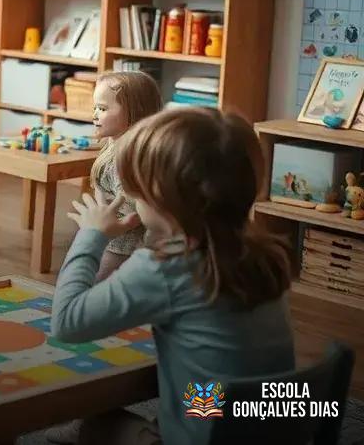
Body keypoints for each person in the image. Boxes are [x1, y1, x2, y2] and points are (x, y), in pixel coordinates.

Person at [51, 107, 295, 445]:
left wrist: (92, 234)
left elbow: (67, 322)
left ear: (163, 198)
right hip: (271, 428)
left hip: (208, 434)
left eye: (136, 189)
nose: (132, 198)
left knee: (91, 423)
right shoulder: (265, 253)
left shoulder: (165, 267)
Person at [88, 71, 162, 281]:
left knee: (98, 285)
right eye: (95, 108)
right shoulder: (114, 143)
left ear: (134, 112)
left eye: (102, 109)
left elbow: (135, 208)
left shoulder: (126, 158)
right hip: (108, 235)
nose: (94, 115)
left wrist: (102, 219)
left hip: (122, 244)